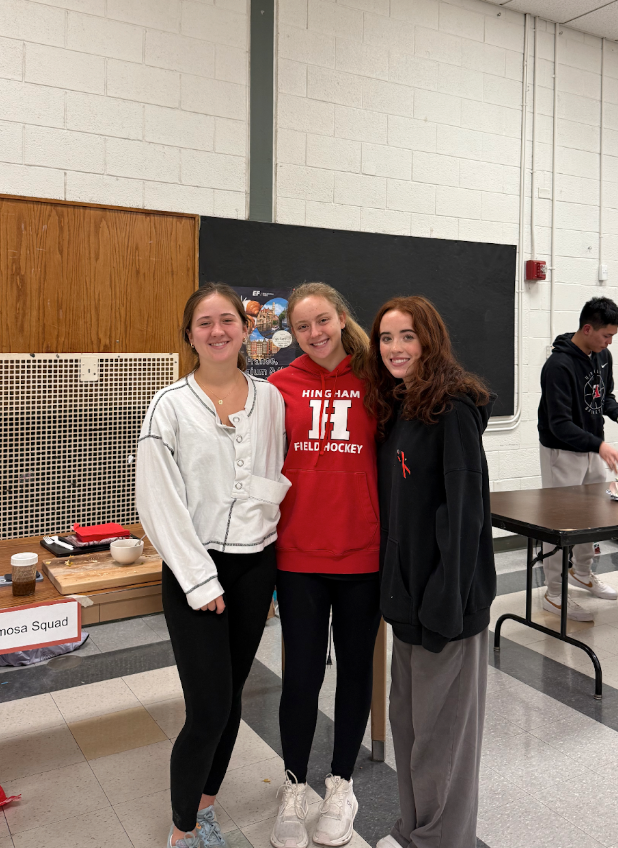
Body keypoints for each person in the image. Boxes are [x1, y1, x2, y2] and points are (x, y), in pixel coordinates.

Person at [136, 283, 291, 848]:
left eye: (228, 320)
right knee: (207, 709)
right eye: (205, 322)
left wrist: (271, 564)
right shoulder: (170, 405)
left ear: (246, 330)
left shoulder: (270, 400)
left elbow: (272, 476)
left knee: (232, 698)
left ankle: (204, 808)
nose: (218, 330)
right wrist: (200, 580)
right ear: (190, 335)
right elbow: (157, 500)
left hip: (255, 566)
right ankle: (180, 831)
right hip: (195, 569)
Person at [364, 296, 496, 848]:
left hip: (446, 606)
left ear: (430, 340)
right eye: (387, 338)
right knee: (411, 730)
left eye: (407, 336)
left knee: (443, 741)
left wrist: (445, 600)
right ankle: (415, 830)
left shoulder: (453, 408)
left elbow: (465, 515)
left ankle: (442, 840)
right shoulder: (398, 407)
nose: (395, 348)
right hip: (409, 603)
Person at [268, 283, 381, 848]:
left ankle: (342, 784)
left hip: (362, 553)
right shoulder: (279, 386)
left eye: (322, 321)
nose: (314, 334)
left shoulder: (376, 381)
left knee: (356, 671)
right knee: (302, 677)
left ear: (341, 318)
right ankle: (292, 785)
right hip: (299, 556)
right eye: (302, 326)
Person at [537, 297, 618, 622]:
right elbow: (560, 424)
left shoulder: (602, 355)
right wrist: (601, 446)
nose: (609, 342)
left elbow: (604, 396)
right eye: (606, 335)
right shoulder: (558, 366)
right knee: (561, 522)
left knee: (593, 516)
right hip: (562, 453)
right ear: (587, 328)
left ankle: (582, 573)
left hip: (593, 448)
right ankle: (553, 594)